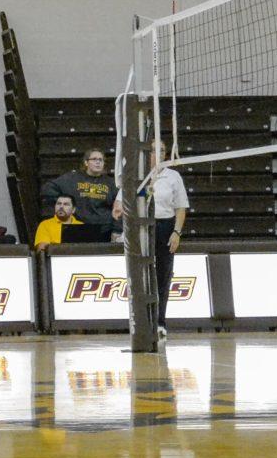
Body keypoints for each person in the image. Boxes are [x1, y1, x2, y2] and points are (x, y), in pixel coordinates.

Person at [113, 142, 189, 340]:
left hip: (164, 226)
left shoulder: (173, 176)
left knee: (163, 276)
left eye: (163, 150)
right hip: (140, 227)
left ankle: (160, 323)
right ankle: (139, 322)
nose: (160, 153)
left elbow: (181, 207)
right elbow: (119, 205)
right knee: (139, 276)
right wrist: (120, 207)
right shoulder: (136, 174)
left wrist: (177, 232)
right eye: (156, 150)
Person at [41, 150, 117, 235]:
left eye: (101, 160)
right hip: (78, 227)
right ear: (86, 162)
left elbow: (119, 208)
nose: (98, 162)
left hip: (104, 229)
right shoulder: (72, 178)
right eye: (94, 159)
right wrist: (66, 203)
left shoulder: (111, 183)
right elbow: (47, 188)